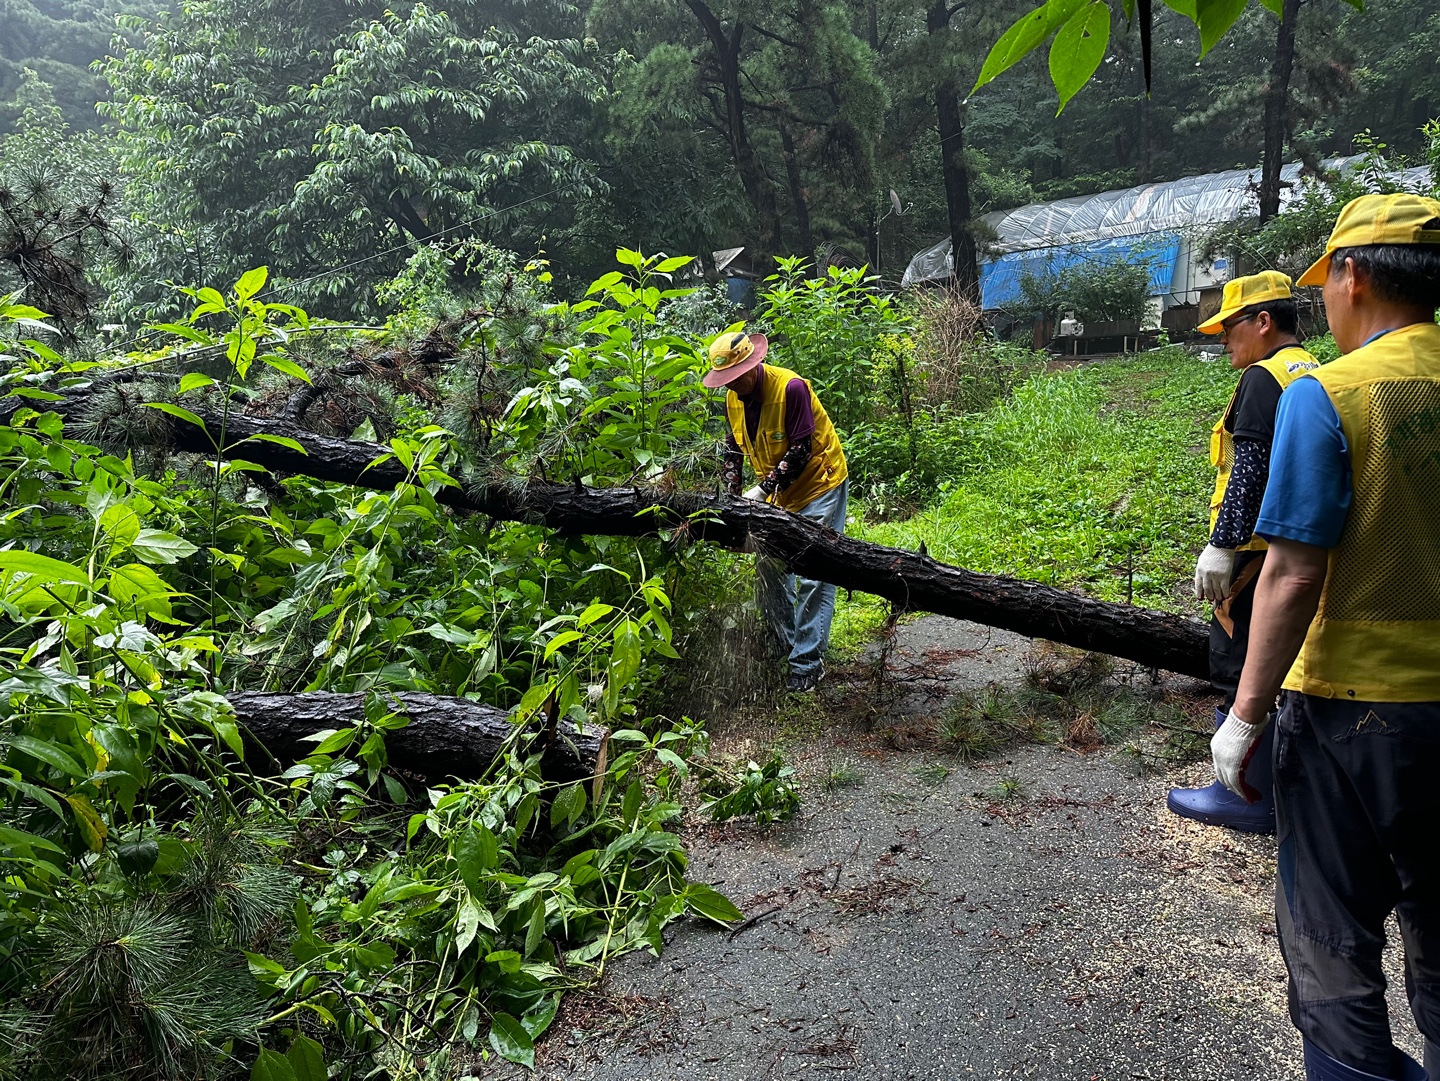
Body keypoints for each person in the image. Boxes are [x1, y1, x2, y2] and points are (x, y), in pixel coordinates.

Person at [1210, 193, 1440, 1081]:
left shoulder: (1329, 395)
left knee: (1333, 941)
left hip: (1353, 715)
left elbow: (1295, 572)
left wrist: (1245, 714)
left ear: (1352, 275)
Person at [1167, 271, 1318, 834]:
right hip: (1294, 545)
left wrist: (1221, 545)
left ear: (1263, 322)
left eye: (1229, 328)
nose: (1222, 340)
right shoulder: (1311, 370)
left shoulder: (1262, 378)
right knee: (1282, 666)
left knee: (1239, 662)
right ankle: (1281, 787)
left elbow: (1250, 468)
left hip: (1255, 558)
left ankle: (1244, 794)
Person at [704, 326, 849, 693]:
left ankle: (807, 663)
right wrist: (734, 501)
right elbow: (733, 451)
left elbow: (801, 451)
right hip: (775, 492)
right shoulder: (733, 400)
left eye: (736, 377)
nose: (732, 385)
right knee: (769, 569)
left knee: (814, 572)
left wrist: (760, 490)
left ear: (754, 364)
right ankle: (787, 646)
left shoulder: (791, 388)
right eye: (726, 381)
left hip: (819, 483)